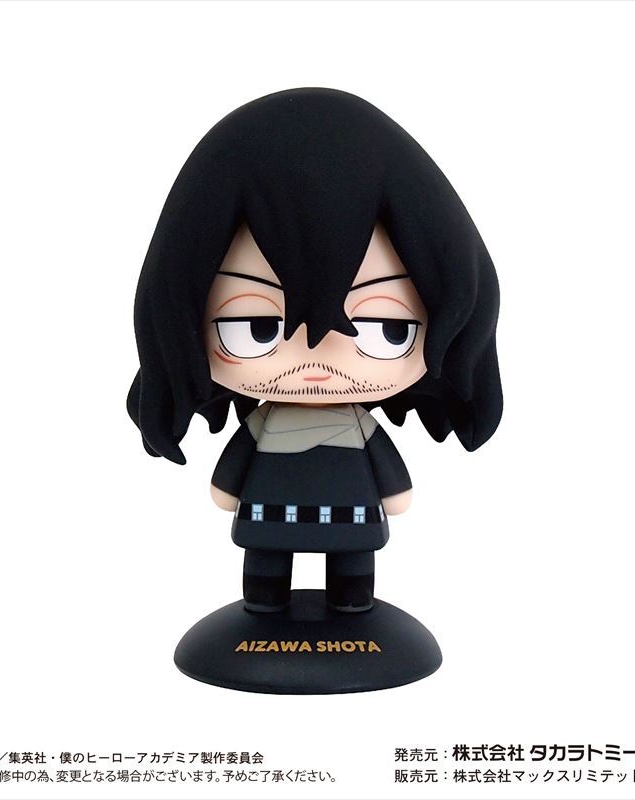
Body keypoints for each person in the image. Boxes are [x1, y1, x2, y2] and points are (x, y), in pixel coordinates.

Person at [127, 87, 502, 614]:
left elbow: (391, 489)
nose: (317, 359)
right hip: (269, 520)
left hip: (349, 523)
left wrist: (392, 495)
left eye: (386, 329)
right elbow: (229, 483)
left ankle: (352, 598)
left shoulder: (354, 427)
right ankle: (265, 598)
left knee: (352, 567)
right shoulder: (270, 425)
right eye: (256, 327)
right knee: (266, 565)